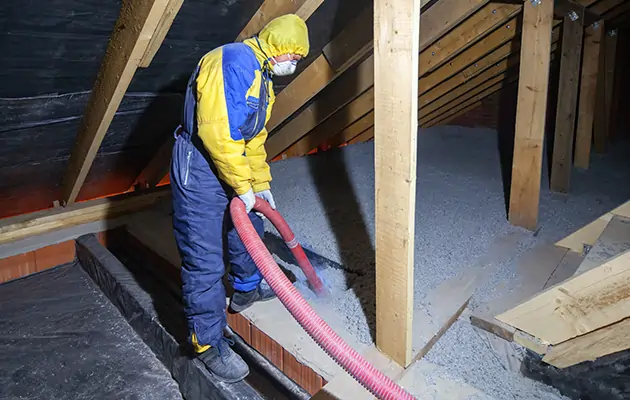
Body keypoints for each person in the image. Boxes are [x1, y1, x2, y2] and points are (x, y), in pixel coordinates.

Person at [170, 14, 309, 382]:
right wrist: (242, 187)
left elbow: (254, 138)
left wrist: (259, 184)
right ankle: (207, 342)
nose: (294, 64)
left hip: (229, 159)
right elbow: (218, 135)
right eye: (292, 56)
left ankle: (246, 289)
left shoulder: (263, 75)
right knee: (204, 257)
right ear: (276, 46)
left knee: (248, 225)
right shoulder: (232, 61)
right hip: (199, 164)